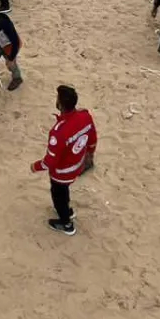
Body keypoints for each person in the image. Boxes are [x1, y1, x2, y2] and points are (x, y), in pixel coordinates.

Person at [30, 85, 97, 236]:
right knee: (64, 191)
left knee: (58, 195)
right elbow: (92, 139)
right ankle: (67, 211)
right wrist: (90, 154)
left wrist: (35, 166)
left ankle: (66, 223)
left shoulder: (58, 132)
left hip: (61, 173)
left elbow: (50, 161)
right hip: (77, 164)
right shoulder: (85, 116)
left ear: (60, 105)